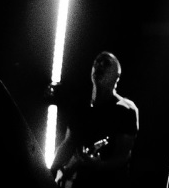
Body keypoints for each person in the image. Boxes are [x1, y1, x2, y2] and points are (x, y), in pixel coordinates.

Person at [51, 51, 138, 187]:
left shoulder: (125, 110)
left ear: (117, 76)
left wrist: (100, 165)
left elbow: (123, 156)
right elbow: (68, 143)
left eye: (106, 63)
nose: (99, 65)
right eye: (97, 62)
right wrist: (51, 171)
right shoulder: (80, 106)